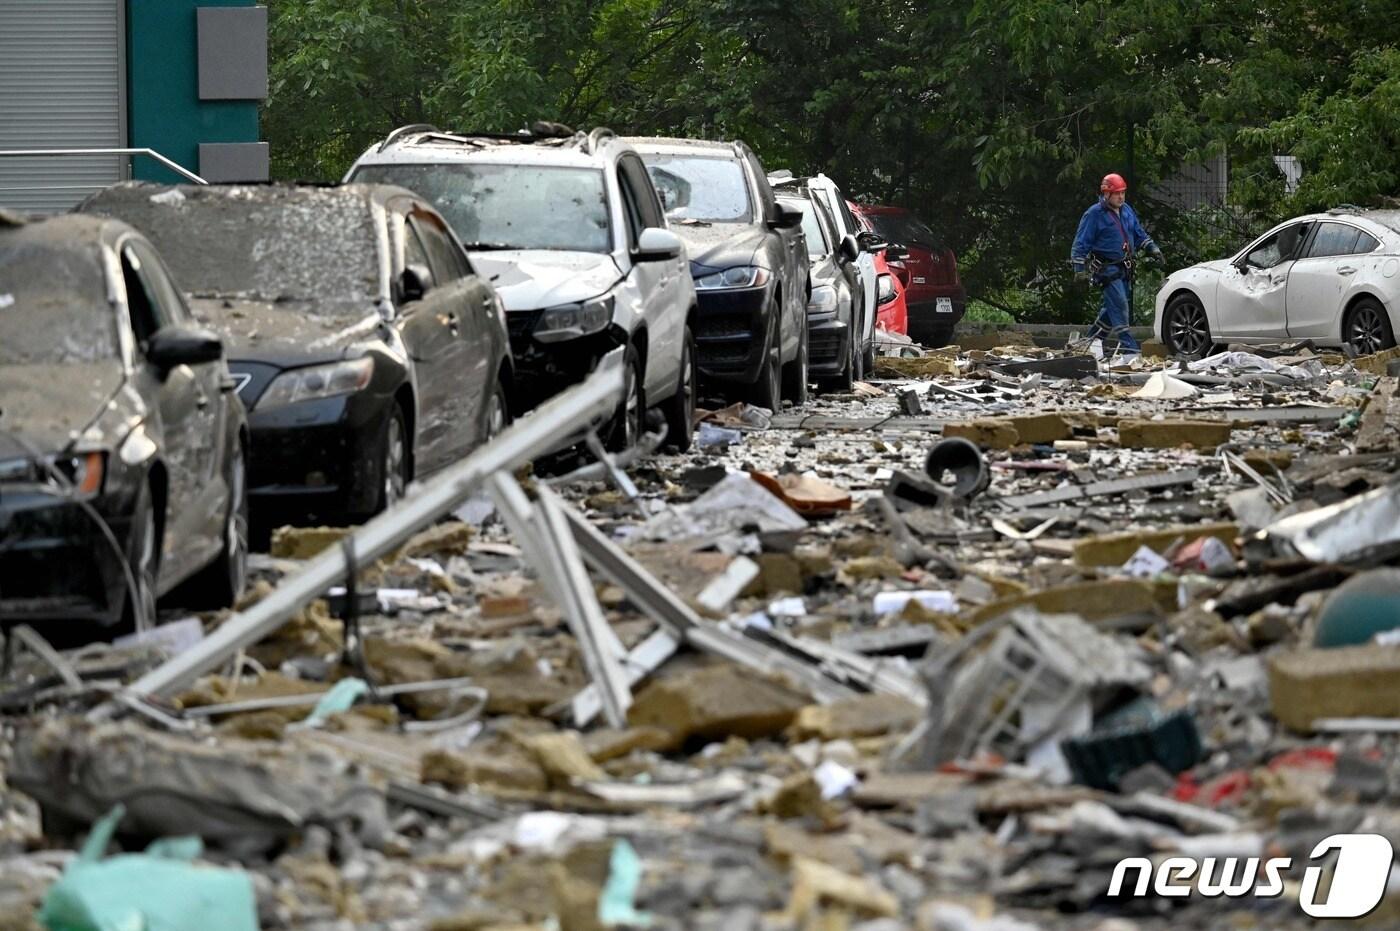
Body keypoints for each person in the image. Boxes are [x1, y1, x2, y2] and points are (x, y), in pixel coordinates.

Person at [1071, 173, 1161, 355]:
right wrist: (1079, 270)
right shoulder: (1094, 214)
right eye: (1117, 193)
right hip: (1106, 269)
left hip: (1124, 268)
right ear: (1106, 194)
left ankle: (1089, 343)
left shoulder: (1126, 210)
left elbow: (1138, 232)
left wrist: (1153, 248)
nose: (1121, 197)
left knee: (1111, 309)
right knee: (1120, 304)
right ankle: (1130, 348)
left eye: (1123, 193)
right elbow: (1080, 244)